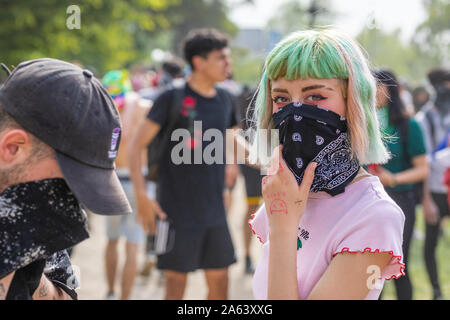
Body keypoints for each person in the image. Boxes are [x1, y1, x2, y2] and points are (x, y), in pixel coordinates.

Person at [248, 29, 405, 300]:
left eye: (316, 97)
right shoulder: (288, 192)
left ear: (353, 103)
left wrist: (284, 229)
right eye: (281, 99)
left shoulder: (373, 215)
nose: (295, 112)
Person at [0, 58, 131, 300]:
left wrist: (30, 275)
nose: (72, 194)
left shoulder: (31, 207)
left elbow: (66, 295)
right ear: (13, 148)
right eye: (70, 178)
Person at [128, 28, 240, 300]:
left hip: (214, 209)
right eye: (221, 58)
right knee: (176, 285)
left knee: (221, 281)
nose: (228, 63)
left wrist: (270, 160)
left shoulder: (225, 99)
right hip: (174, 211)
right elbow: (135, 146)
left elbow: (234, 143)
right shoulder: (172, 97)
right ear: (199, 62)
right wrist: (142, 195)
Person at [368, 69, 429, 300]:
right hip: (368, 202)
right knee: (371, 268)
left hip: (400, 201)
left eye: (376, 87)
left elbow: (422, 168)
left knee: (398, 265)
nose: (371, 92)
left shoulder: (408, 126)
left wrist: (393, 179)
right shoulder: (364, 124)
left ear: (390, 90)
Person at [101, 70, 153, 300]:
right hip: (137, 180)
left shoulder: (101, 108)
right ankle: (125, 298)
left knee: (112, 240)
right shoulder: (144, 107)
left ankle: (111, 292)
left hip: (112, 181)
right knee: (132, 245)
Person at [415, 68, 450, 300]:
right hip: (436, 190)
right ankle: (436, 289)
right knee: (430, 243)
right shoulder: (424, 119)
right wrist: (426, 201)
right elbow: (424, 163)